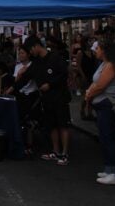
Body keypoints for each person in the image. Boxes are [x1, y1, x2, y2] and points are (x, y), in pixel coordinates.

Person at [18, 35, 71, 166]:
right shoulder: (37, 62)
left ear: (36, 46)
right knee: (51, 125)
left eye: (30, 50)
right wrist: (13, 88)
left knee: (62, 124)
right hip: (47, 99)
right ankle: (55, 151)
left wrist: (50, 84)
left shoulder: (55, 57)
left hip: (60, 96)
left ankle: (64, 153)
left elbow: (64, 74)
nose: (30, 53)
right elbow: (26, 77)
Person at [85, 39, 115, 185]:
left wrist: (90, 94)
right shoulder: (104, 64)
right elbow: (96, 83)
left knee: (108, 138)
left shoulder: (111, 66)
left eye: (97, 48)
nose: (95, 50)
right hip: (101, 104)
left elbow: (101, 85)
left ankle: (114, 172)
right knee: (104, 137)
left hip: (108, 105)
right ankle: (109, 168)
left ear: (104, 50)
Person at [8, 46, 39, 155]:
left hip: (31, 96)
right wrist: (20, 74)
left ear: (28, 54)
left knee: (28, 121)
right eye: (19, 53)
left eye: (22, 53)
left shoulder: (33, 66)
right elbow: (16, 82)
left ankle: (29, 145)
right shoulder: (18, 66)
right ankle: (20, 143)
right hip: (20, 95)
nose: (20, 55)